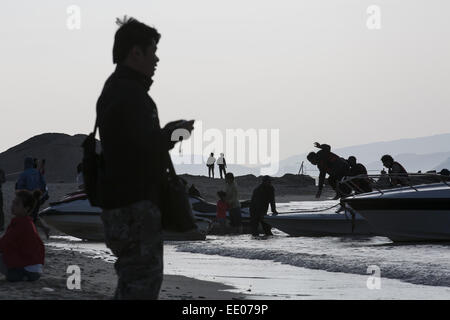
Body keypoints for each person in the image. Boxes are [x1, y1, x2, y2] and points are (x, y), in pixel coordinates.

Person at [96, 17, 194, 300]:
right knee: (142, 284)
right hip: (133, 208)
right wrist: (175, 134)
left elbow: (134, 144)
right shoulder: (129, 94)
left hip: (123, 205)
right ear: (135, 53)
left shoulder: (117, 89)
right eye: (152, 51)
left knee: (133, 283)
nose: (157, 58)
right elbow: (143, 149)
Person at [0, 189, 45, 282]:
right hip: (35, 270)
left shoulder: (21, 223)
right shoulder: (27, 222)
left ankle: (19, 276)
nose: (13, 206)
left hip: (28, 270)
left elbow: (4, 243)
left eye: (17, 204)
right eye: (13, 203)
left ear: (27, 208)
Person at [16, 157, 51, 239]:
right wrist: (42, 195)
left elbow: (20, 187)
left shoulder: (23, 174)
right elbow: (43, 184)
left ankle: (32, 234)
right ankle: (44, 229)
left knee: (28, 216)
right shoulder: (37, 173)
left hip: (28, 198)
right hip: (38, 197)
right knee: (33, 215)